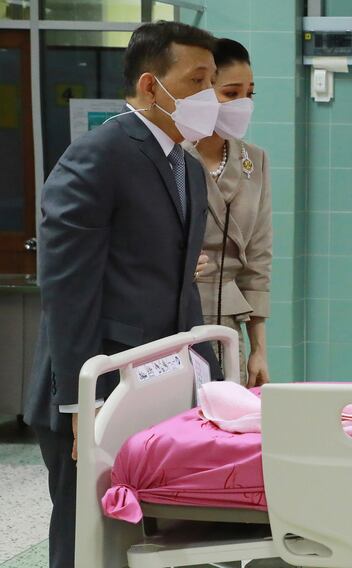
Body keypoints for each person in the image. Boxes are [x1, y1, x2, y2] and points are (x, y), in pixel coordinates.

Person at [23, 21, 219, 567]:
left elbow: (179, 282)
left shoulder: (186, 164)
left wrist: (206, 374)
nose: (207, 96)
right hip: (100, 387)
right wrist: (81, 403)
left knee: (152, 535)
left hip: (163, 385)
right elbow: (67, 286)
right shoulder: (98, 155)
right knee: (86, 534)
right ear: (152, 86)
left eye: (212, 81)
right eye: (196, 81)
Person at [187, 38, 272, 387]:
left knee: (225, 429)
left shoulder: (254, 160)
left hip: (228, 322)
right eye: (231, 93)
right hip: (174, 317)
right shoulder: (171, 156)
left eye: (249, 93)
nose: (243, 104)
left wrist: (259, 349)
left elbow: (258, 260)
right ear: (204, 92)